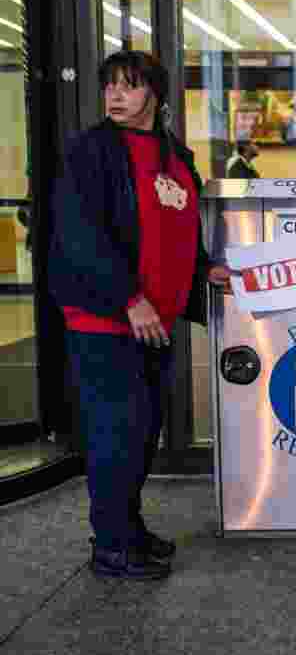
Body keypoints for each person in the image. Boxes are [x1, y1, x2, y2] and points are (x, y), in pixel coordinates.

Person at [47, 51, 231, 580]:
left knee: (143, 429)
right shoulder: (91, 151)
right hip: (107, 319)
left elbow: (179, 230)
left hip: (156, 320)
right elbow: (81, 235)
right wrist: (129, 297)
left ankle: (128, 529)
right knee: (116, 432)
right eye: (109, 86)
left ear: (155, 93)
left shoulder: (176, 155)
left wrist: (202, 271)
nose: (115, 96)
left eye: (128, 86)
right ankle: (110, 545)